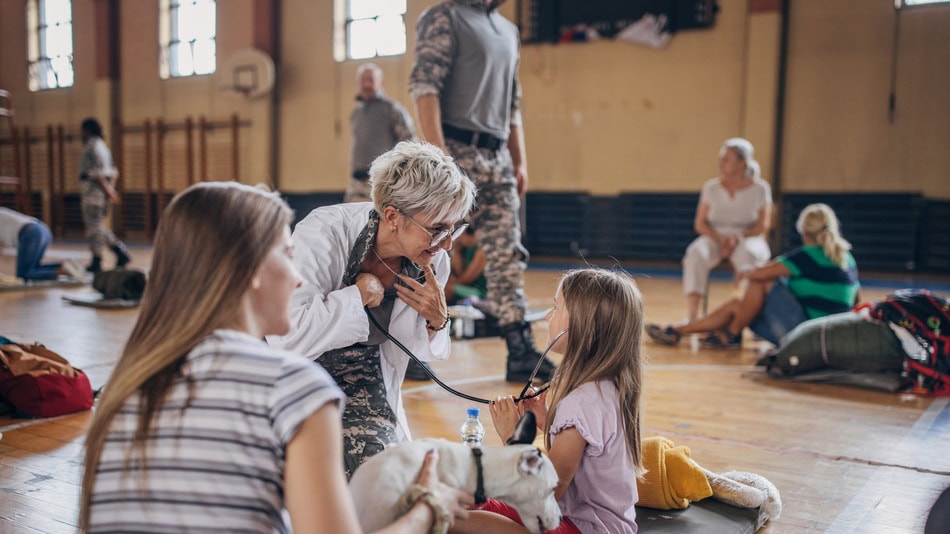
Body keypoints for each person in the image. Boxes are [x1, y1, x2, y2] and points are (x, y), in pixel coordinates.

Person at [79, 182, 473, 533]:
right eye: (287, 255)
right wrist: (429, 507)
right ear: (250, 270)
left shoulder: (124, 388)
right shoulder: (292, 389)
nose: (299, 278)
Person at [267, 141, 476, 478]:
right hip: (300, 381)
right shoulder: (323, 234)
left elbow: (417, 348)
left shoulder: (433, 260)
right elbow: (287, 337)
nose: (448, 243)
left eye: (455, 228)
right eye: (438, 229)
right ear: (392, 216)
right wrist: (357, 296)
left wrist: (439, 321)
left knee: (386, 476)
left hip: (366, 388)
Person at [410, 0, 555, 384]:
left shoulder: (509, 31)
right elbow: (424, 86)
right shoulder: (445, 16)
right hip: (454, 148)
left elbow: (512, 104)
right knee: (424, 247)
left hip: (497, 157)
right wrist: (439, 155)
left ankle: (519, 349)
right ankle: (410, 345)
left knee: (508, 253)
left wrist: (519, 160)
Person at [452, 268, 645, 534]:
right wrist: (547, 421)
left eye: (556, 308)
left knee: (455, 519)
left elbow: (546, 491)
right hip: (583, 519)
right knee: (464, 502)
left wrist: (513, 438)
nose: (546, 315)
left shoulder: (582, 401)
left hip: (585, 528)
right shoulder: (605, 386)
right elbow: (587, 447)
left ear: (582, 326)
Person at [649, 203, 861, 349]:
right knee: (737, 306)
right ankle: (678, 331)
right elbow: (856, 300)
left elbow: (760, 273)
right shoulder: (847, 258)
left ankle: (730, 334)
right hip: (830, 336)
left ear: (804, 231)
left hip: (806, 337)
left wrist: (745, 272)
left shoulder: (807, 256)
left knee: (762, 281)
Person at [682, 137, 772, 321]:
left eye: (726, 159)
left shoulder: (760, 188)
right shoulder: (711, 188)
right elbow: (700, 224)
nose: (720, 163)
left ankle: (749, 316)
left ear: (742, 162)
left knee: (750, 256)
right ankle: (692, 317)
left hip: (748, 237)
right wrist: (721, 238)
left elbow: (763, 225)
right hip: (714, 236)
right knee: (695, 254)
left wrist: (737, 238)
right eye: (720, 158)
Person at [346, 63, 416, 203]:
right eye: (363, 80)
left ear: (381, 82)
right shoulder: (356, 112)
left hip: (382, 181)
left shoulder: (393, 109)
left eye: (371, 80)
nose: (366, 84)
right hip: (357, 182)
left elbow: (410, 144)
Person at [79, 118, 132, 273]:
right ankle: (120, 251)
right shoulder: (103, 147)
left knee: (94, 229)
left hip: (92, 194)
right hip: (101, 194)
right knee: (99, 227)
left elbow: (98, 174)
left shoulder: (91, 147)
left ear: (87, 130)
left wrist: (109, 191)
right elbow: (113, 172)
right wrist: (110, 190)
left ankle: (97, 260)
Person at [0, 207, 83, 282]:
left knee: (23, 275)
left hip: (31, 233)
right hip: (42, 230)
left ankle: (61, 270)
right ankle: (64, 266)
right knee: (33, 268)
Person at [445, 226, 487, 304]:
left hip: (479, 291)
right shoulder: (465, 249)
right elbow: (459, 273)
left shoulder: (481, 251)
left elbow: (466, 280)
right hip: (466, 287)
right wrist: (457, 252)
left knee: (447, 288)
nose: (458, 238)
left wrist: (449, 284)